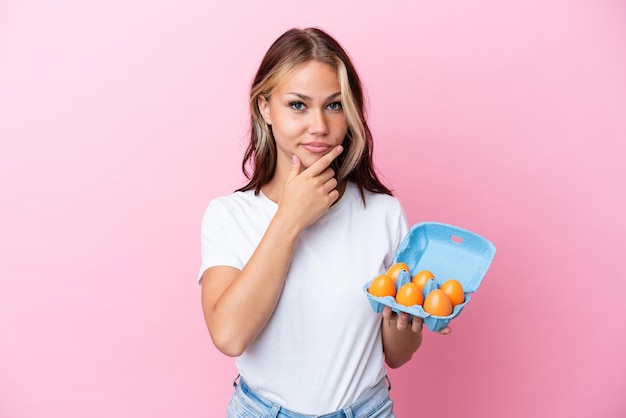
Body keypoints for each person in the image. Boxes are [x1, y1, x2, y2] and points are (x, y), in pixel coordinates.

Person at [198, 27, 449, 418]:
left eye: (334, 105)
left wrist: (411, 315)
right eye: (298, 105)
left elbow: (396, 355)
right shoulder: (229, 215)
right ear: (265, 108)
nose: (319, 125)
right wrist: (291, 217)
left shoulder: (382, 213)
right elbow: (230, 336)